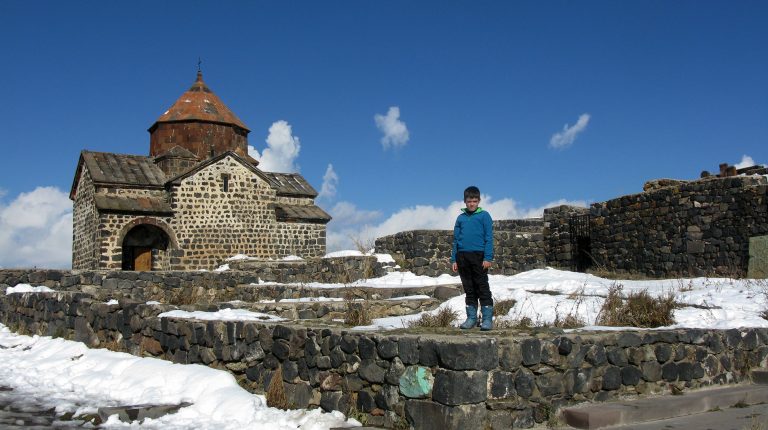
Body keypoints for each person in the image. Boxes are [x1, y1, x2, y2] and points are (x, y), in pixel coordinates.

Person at [450, 186, 494, 330]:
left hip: (479, 256)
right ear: (465, 201)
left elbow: (489, 238)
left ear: (479, 201)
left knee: (482, 287)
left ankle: (487, 319)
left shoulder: (484, 216)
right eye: (469, 201)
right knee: (469, 288)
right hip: (462, 257)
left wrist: (488, 257)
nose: (472, 204)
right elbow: (456, 240)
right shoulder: (460, 218)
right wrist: (454, 259)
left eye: (475, 201)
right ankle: (471, 318)